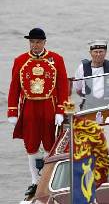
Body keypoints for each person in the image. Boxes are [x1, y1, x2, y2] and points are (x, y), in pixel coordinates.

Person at [7, 28, 69, 196]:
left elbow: (63, 87)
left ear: (44, 42)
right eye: (32, 42)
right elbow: (14, 87)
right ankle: (35, 180)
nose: (35, 45)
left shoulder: (56, 59)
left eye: (38, 42)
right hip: (29, 107)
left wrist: (60, 110)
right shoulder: (20, 60)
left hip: (49, 105)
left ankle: (48, 178)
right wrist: (12, 111)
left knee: (51, 142)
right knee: (31, 144)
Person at [74, 40, 109, 110]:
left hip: (108, 105)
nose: (98, 54)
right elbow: (78, 89)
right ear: (90, 53)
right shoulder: (82, 68)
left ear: (105, 52)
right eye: (95, 52)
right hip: (88, 106)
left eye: (101, 52)